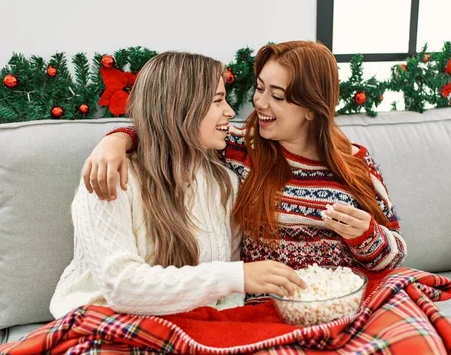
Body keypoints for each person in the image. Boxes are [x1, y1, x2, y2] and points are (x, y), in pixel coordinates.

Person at [82, 41, 407, 278]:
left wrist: (366, 235)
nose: (260, 103)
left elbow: (394, 256)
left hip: (342, 300)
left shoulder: (355, 162)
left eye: (277, 96)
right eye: (260, 88)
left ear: (311, 108)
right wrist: (118, 140)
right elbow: (175, 128)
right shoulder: (240, 146)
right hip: (267, 307)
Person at [50, 51, 306, 319]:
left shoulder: (225, 184)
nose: (230, 112)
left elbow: (228, 298)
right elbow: (122, 287)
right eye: (218, 100)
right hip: (104, 325)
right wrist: (235, 276)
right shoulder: (110, 175)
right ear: (181, 108)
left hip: (194, 329)